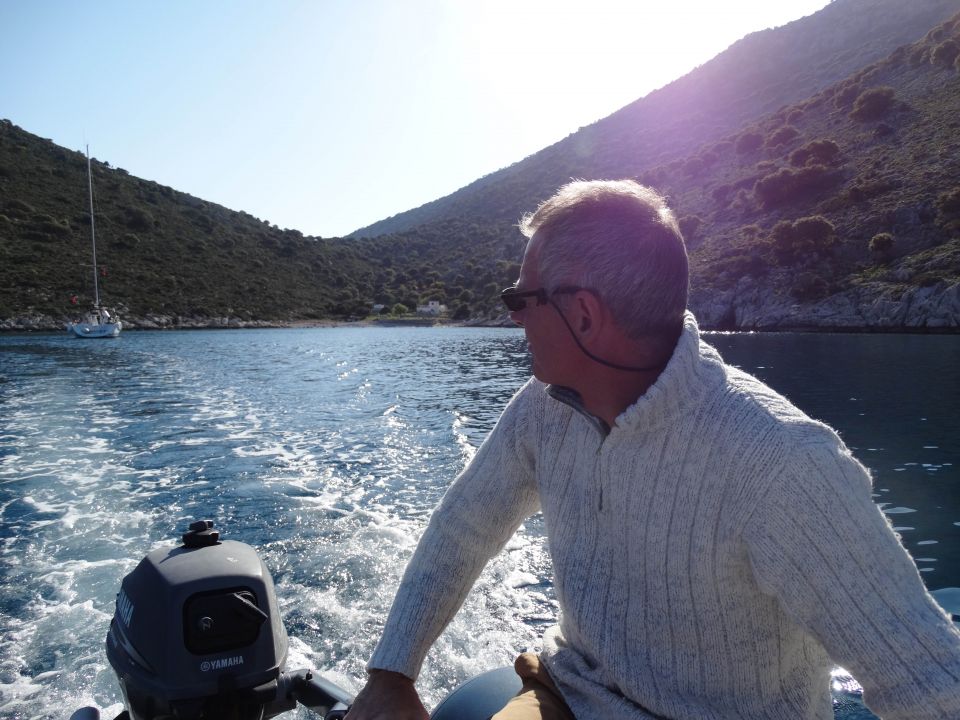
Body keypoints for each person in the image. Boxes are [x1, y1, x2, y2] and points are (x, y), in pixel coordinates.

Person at [345, 180, 960, 719]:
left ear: (583, 315)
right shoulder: (544, 408)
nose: (515, 320)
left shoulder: (782, 464)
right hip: (571, 698)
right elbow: (464, 526)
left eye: (520, 300)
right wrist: (392, 673)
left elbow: (930, 682)